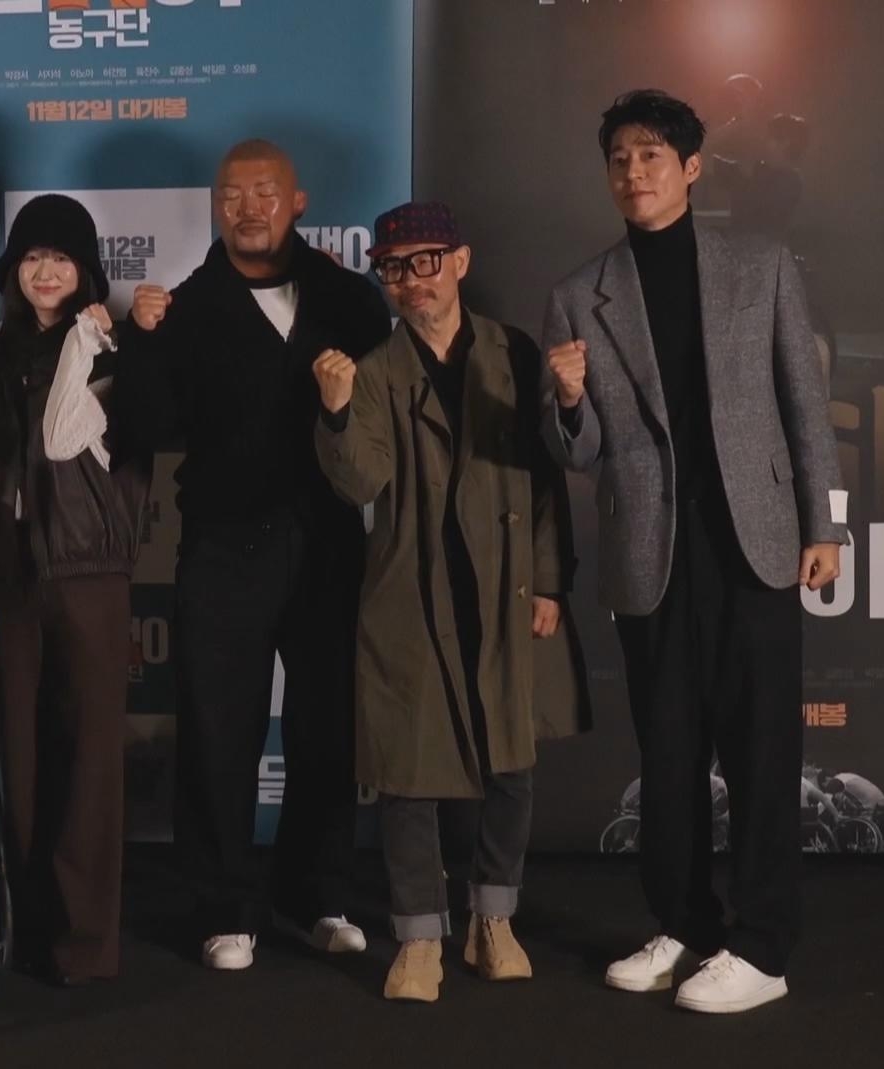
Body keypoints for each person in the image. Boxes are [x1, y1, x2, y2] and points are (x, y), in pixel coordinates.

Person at [542, 90, 846, 1014]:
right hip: (650, 550)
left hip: (755, 541)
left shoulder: (761, 266)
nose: (633, 172)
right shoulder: (578, 294)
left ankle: (762, 948)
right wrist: (567, 402)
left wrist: (824, 525)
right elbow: (579, 454)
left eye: (651, 156)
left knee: (761, 751)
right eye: (619, 159)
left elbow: (804, 404)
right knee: (668, 753)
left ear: (691, 167)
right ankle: (685, 926)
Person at [313, 201, 590, 1002]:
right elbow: (360, 482)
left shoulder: (513, 352)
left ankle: (493, 921)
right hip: (410, 592)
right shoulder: (372, 372)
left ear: (460, 263)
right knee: (408, 776)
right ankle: (419, 937)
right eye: (393, 268)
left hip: (506, 587)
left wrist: (549, 580)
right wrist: (335, 411)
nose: (411, 282)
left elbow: (545, 477)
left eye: (425, 261)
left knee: (512, 763)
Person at [125, 139, 392, 971]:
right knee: (218, 729)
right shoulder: (184, 308)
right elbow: (144, 425)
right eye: (233, 194)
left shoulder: (351, 300)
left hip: (327, 542)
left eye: (265, 192)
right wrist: (140, 338)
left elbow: (383, 424)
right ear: (217, 206)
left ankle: (318, 896)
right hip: (222, 547)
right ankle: (224, 907)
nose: (248, 208)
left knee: (327, 726)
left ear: (298, 202)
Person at [0, 194, 152, 985]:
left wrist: (86, 342)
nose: (45, 271)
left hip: (89, 574)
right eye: (32, 257)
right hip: (6, 581)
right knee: (22, 762)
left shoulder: (115, 357)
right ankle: (23, 932)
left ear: (87, 272)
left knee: (92, 763)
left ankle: (85, 945)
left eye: (62, 258)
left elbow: (74, 441)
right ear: (12, 271)